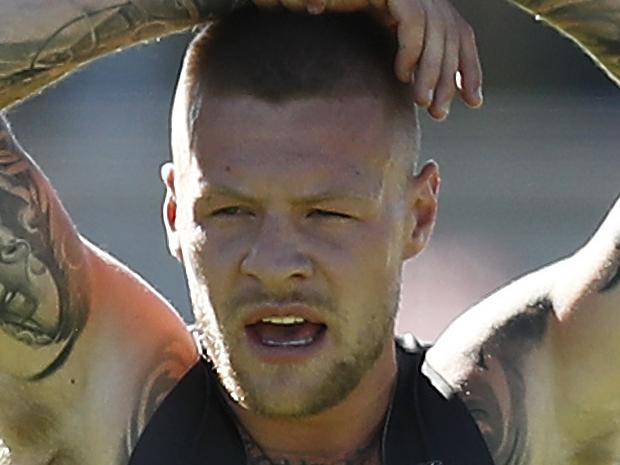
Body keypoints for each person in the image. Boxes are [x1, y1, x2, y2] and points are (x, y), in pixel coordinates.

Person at [0, 2, 618, 465]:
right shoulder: (103, 410)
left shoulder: (515, 414)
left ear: (419, 215)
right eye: (230, 213)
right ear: (175, 213)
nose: (273, 265)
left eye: (326, 214)